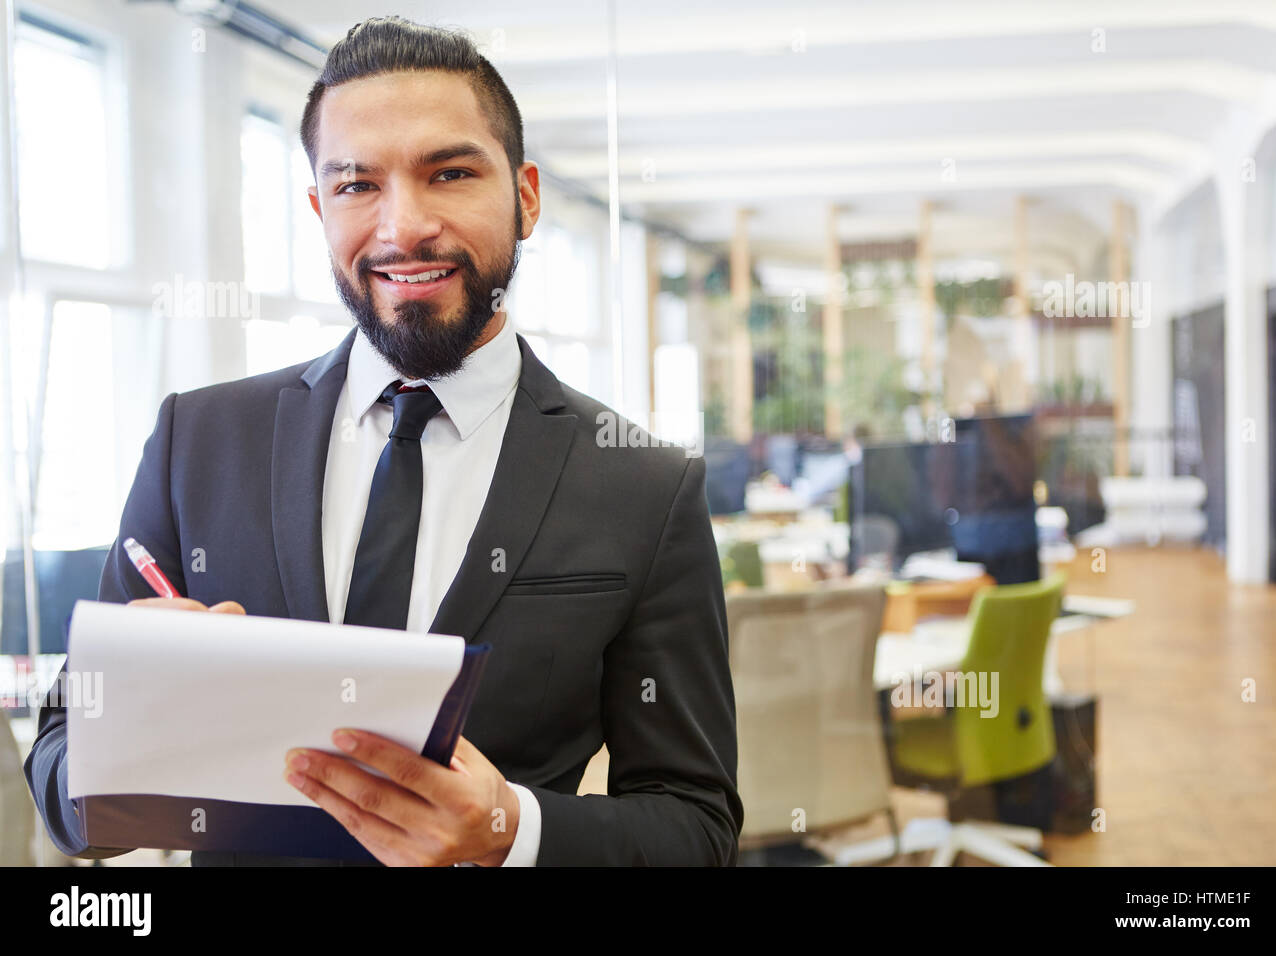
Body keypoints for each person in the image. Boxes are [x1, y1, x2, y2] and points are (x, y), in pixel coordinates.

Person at [24, 16, 741, 867]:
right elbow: (67, 790)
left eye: (450, 173)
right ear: (318, 206)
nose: (405, 228)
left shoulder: (642, 486)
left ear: (527, 195)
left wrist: (508, 827)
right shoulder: (201, 440)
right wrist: (134, 726)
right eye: (358, 185)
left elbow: (695, 826)